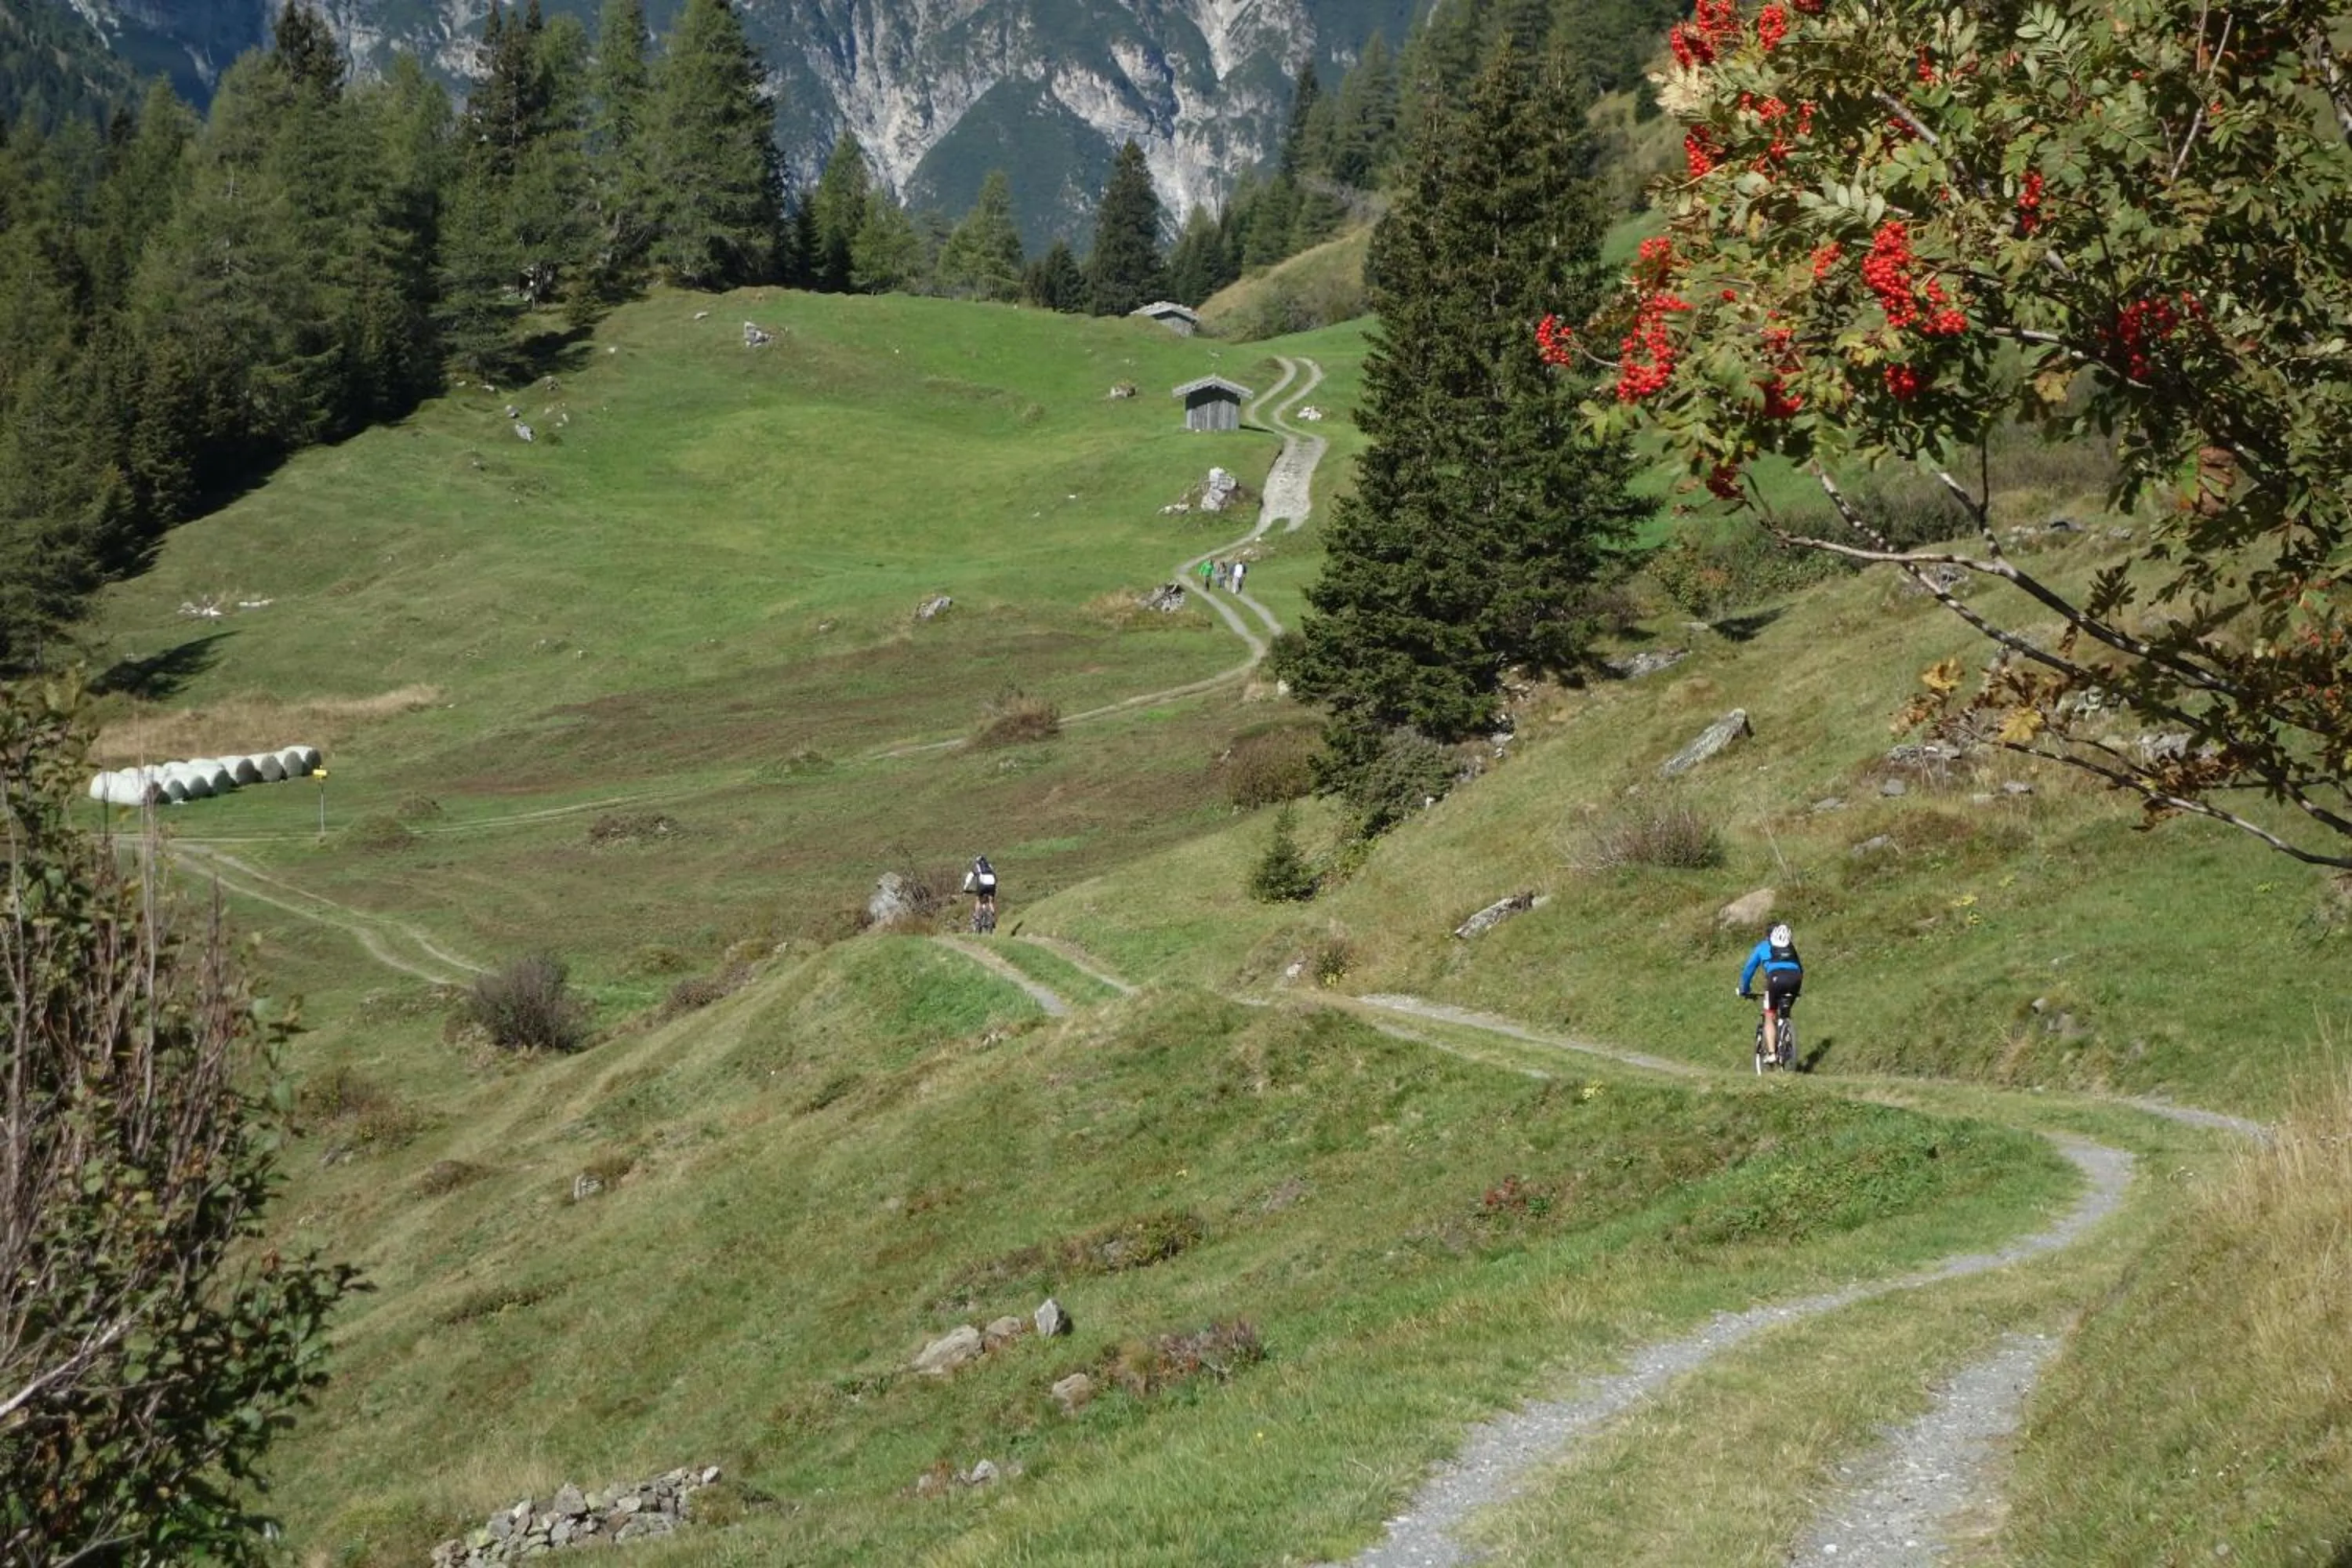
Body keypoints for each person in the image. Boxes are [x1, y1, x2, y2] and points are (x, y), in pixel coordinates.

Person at [1738, 921, 1803, 1065]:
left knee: (1769, 1014)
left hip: (1776, 979)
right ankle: (1786, 1030)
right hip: (1796, 979)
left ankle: (1773, 1053)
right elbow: (1800, 968)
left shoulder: (1763, 947)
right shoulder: (1789, 947)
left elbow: (1749, 969)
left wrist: (1744, 989)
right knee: (1785, 1011)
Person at [963, 854, 999, 927]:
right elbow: (995, 877)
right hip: (992, 885)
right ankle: (992, 918)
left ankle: (977, 917)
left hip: (982, 886)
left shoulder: (977, 867)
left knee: (979, 901)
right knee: (990, 901)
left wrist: (965, 887)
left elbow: (970, 877)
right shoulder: (990, 866)